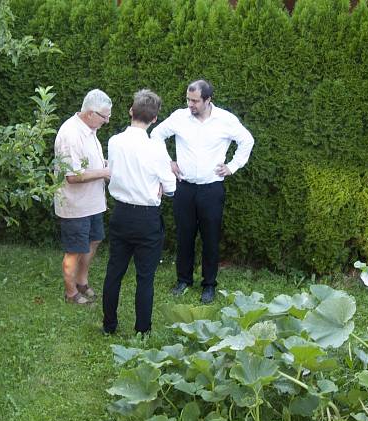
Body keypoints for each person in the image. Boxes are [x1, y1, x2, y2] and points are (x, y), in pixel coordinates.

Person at [151, 79, 254, 303]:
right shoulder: (179, 117)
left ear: (208, 100)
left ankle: (209, 284)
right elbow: (156, 135)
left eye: (195, 100)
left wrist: (232, 167)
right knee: (184, 236)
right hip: (185, 188)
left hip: (211, 189)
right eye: (188, 99)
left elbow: (247, 140)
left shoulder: (225, 120)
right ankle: (183, 280)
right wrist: (168, 161)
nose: (191, 104)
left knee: (210, 238)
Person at [102, 89, 176, 335]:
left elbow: (112, 171)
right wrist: (162, 189)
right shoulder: (155, 148)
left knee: (114, 271)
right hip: (146, 218)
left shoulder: (114, 141)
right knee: (145, 277)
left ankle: (109, 325)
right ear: (155, 119)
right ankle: (142, 331)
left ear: (131, 112)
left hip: (121, 214)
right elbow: (172, 186)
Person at [54, 89, 112, 305]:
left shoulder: (90, 128)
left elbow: (88, 162)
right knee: (74, 250)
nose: (107, 121)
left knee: (94, 239)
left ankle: (81, 281)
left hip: (93, 202)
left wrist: (104, 164)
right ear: (90, 113)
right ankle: (70, 293)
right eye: (104, 116)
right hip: (75, 204)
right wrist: (105, 173)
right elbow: (72, 176)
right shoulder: (70, 134)